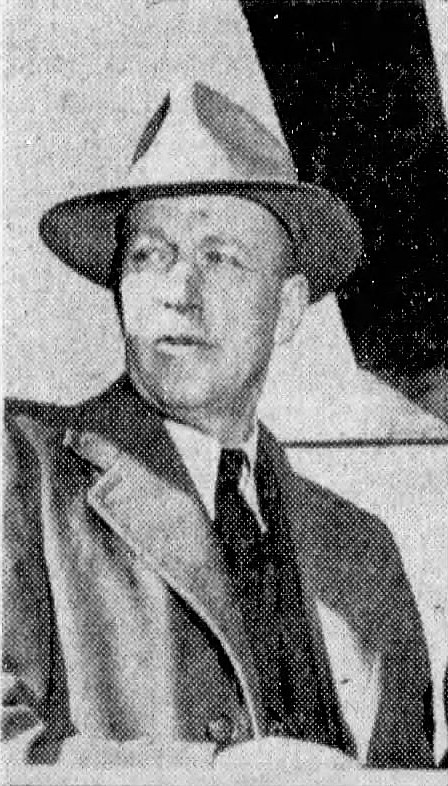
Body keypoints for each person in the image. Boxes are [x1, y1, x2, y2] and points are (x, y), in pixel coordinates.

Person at [2, 81, 435, 770]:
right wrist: (216, 776)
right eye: (150, 255)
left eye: (220, 257)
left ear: (287, 308)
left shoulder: (363, 550)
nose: (179, 292)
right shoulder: (23, 468)